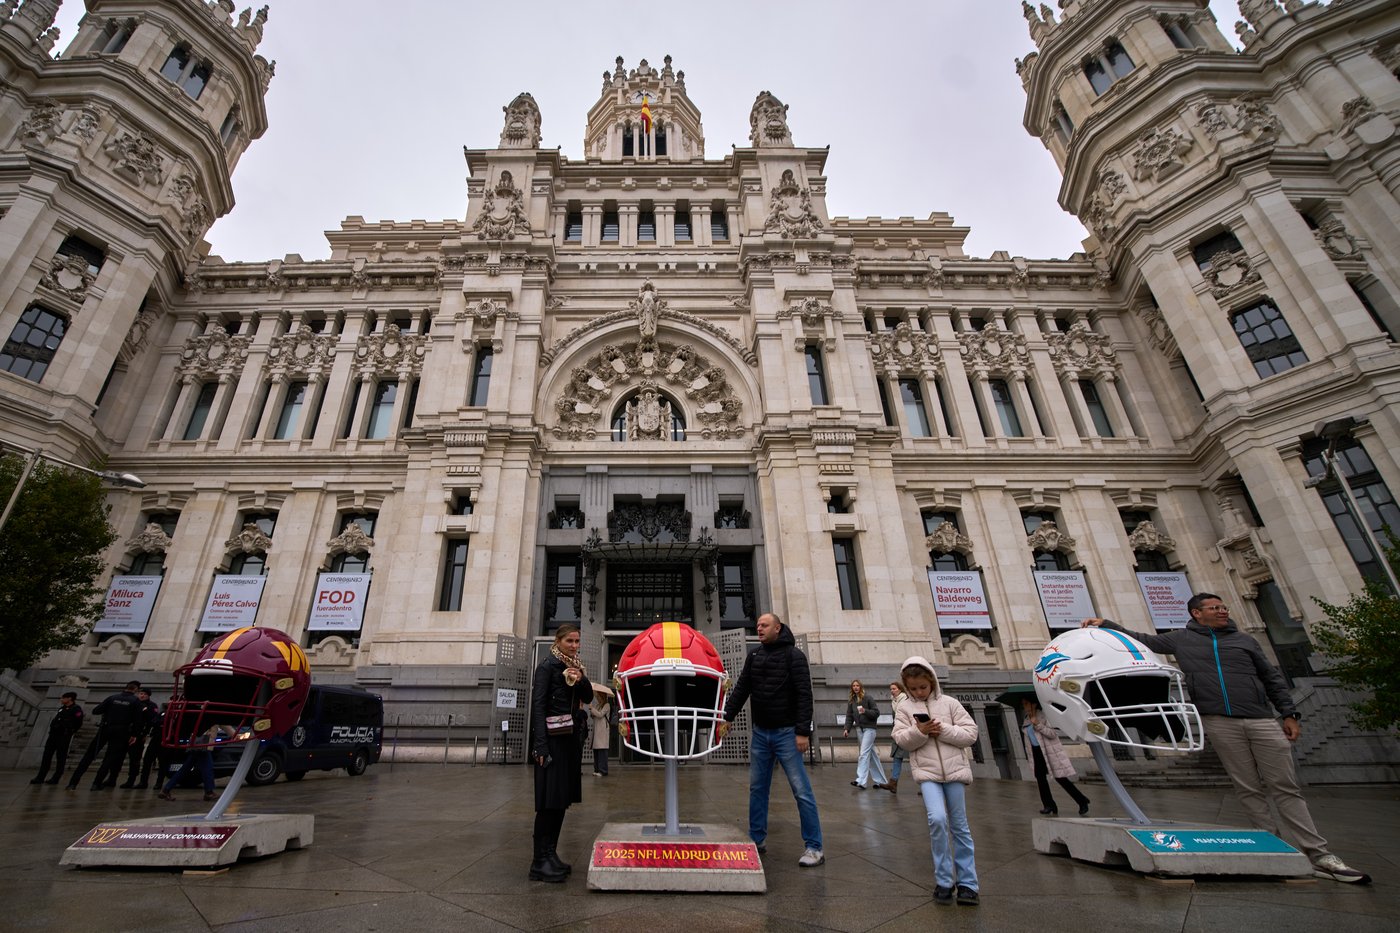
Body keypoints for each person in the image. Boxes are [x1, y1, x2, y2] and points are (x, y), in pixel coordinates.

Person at [1083, 594, 1370, 884]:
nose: (1222, 611)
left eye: (1223, 607)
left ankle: (1319, 854)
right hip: (1219, 721)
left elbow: (1271, 678)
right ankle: (1271, 847)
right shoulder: (1181, 640)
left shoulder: (1245, 641)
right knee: (1247, 787)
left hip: (1260, 719)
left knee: (1284, 786)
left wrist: (1289, 713)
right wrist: (1106, 624)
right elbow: (1142, 639)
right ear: (1197, 613)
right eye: (1215, 608)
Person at [720, 612, 825, 867]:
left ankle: (814, 847)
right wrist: (727, 716)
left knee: (801, 790)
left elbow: (804, 694)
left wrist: (803, 732)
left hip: (787, 734)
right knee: (757, 789)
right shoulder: (754, 656)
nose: (759, 628)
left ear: (777, 628)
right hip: (760, 733)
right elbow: (742, 688)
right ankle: (757, 839)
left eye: (764, 625)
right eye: (757, 625)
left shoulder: (794, 656)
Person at [892, 655, 980, 906]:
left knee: (960, 827)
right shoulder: (905, 709)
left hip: (955, 773)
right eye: (913, 689)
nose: (919, 692)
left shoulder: (951, 704)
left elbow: (970, 733)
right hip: (927, 774)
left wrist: (944, 730)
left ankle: (968, 883)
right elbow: (900, 739)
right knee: (937, 820)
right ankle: (944, 880)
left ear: (932, 682)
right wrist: (919, 732)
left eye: (923, 687)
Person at [529, 623, 592, 883]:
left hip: (568, 742)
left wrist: (582, 678)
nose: (574, 646)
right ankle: (538, 862)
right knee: (548, 803)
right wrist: (539, 745)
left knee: (561, 800)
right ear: (558, 641)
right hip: (551, 742)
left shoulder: (576, 667)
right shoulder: (547, 667)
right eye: (570, 641)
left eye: (577, 641)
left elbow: (587, 697)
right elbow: (539, 706)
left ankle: (550, 854)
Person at [66, 681, 143, 791]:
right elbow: (138, 720)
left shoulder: (112, 698)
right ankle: (96, 783)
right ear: (136, 690)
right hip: (121, 731)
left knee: (89, 755)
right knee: (109, 758)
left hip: (105, 728)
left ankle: (73, 783)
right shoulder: (135, 701)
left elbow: (96, 710)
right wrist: (134, 734)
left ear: (125, 687)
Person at [1021, 697, 1089, 816]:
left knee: (1061, 779)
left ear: (1034, 704)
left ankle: (1082, 801)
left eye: (1026, 703)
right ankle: (1049, 805)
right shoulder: (1026, 720)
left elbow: (1053, 734)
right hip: (1036, 753)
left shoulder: (1043, 716)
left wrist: (1038, 724)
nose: (1024, 707)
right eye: (1023, 704)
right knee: (1041, 780)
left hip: (1049, 752)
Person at [159, 723, 234, 802]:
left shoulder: (201, 711)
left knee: (185, 769)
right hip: (204, 743)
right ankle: (209, 792)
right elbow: (225, 725)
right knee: (208, 768)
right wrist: (235, 734)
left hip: (195, 742)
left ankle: (166, 790)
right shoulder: (213, 713)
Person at [843, 679, 888, 790]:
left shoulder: (868, 698)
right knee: (872, 756)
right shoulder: (852, 701)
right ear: (852, 688)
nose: (856, 687)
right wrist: (847, 729)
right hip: (859, 729)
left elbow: (876, 713)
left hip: (869, 729)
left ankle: (861, 780)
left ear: (861, 687)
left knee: (863, 753)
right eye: (853, 686)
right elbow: (849, 716)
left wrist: (865, 711)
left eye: (857, 685)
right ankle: (881, 781)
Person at [30, 691, 84, 785]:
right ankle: (40, 777)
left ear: (69, 698)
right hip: (53, 736)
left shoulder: (76, 709)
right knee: (46, 756)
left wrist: (70, 732)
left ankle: (56, 778)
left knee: (61, 758)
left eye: (63, 698)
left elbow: (78, 723)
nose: (61, 700)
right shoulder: (62, 709)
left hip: (63, 737)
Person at [119, 688, 160, 788]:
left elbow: (152, 720)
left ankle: (132, 780)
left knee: (135, 759)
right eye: (140, 693)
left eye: (144, 694)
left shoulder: (151, 706)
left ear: (148, 696)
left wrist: (145, 734)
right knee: (119, 757)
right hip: (127, 733)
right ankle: (113, 778)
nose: (142, 696)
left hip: (139, 735)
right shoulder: (134, 703)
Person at [886, 682, 908, 795]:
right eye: (891, 689)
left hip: (908, 733)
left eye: (894, 688)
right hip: (898, 732)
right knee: (897, 757)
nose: (892, 691)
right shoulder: (894, 702)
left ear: (900, 689)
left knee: (916, 760)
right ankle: (893, 783)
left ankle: (925, 783)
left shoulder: (905, 700)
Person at [587, 689, 612, 777]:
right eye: (597, 697)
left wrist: (592, 709)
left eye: (598, 697)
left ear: (602, 696)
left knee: (602, 750)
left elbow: (600, 714)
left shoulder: (607, 705)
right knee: (596, 750)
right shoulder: (597, 705)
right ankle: (597, 769)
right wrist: (592, 712)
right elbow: (595, 715)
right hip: (596, 730)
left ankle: (603, 770)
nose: (597, 698)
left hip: (602, 731)